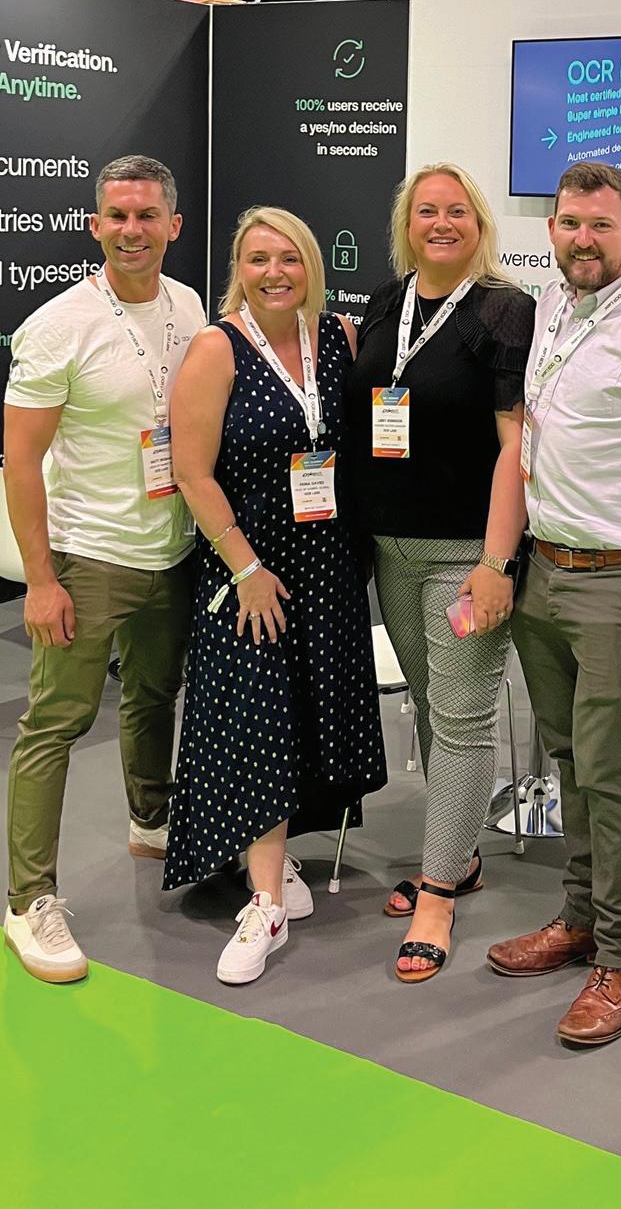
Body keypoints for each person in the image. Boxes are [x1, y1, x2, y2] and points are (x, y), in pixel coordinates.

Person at [487, 161, 621, 1045]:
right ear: (552, 230)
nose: (583, 239)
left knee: (612, 776)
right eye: (570, 223)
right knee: (569, 761)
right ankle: (580, 918)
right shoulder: (552, 306)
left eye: (601, 225)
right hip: (548, 573)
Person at [163, 206, 386, 984]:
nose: (274, 272)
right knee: (259, 718)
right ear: (239, 269)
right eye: (258, 259)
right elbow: (192, 472)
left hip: (326, 567)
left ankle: (273, 851)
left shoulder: (339, 337)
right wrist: (246, 568)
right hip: (251, 569)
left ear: (311, 265)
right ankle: (265, 905)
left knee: (305, 719)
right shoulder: (216, 348)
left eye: (288, 257)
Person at [3, 155, 206, 983]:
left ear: (173, 225)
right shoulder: (58, 325)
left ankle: (151, 821)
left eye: (147, 215)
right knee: (55, 723)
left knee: (154, 695)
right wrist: (41, 579)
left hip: (174, 551)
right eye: (117, 215)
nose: (132, 230)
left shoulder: (188, 306)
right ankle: (28, 900)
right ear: (95, 226)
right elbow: (20, 460)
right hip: (90, 557)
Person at [344, 163, 535, 983]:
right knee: (429, 703)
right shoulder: (387, 302)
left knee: (460, 719)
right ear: (407, 223)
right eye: (427, 210)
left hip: (464, 555)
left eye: (457, 210)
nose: (442, 223)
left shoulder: (504, 308)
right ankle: (458, 855)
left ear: (479, 223)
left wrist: (497, 561)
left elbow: (515, 445)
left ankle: (437, 894)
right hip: (392, 546)